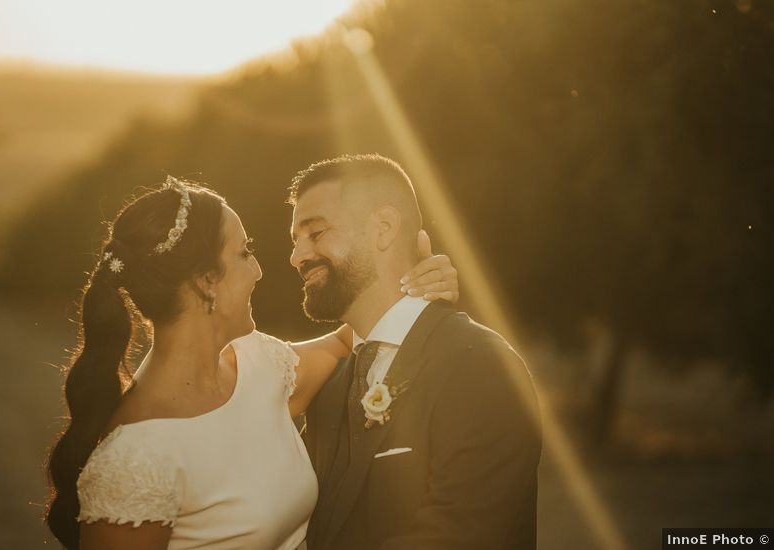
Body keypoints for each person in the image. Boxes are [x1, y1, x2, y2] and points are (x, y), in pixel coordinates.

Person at [44, 177, 460, 550]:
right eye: (244, 253)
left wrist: (418, 281)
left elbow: (346, 339)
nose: (259, 271)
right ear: (206, 280)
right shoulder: (135, 461)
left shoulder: (257, 365)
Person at [288, 154, 543, 549]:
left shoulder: (481, 366)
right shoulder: (331, 386)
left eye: (316, 233)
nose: (297, 256)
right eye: (296, 240)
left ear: (384, 228)